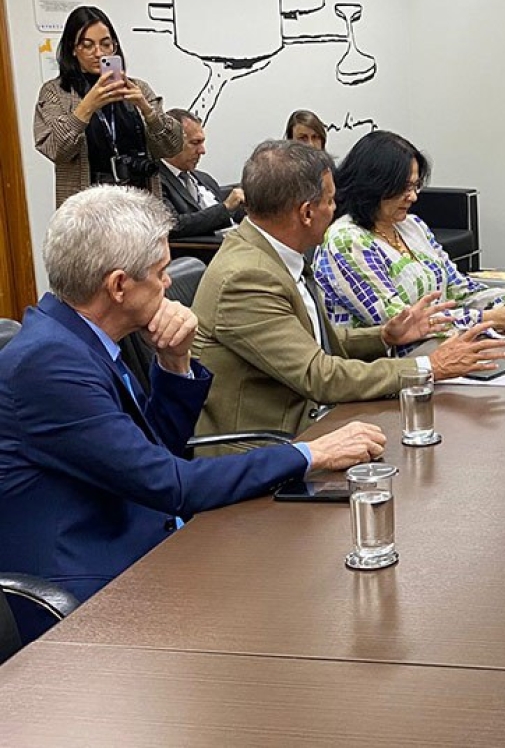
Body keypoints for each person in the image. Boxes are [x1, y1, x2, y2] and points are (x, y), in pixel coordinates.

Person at [0, 185, 388, 635]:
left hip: (144, 542)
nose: (168, 285)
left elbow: (151, 449)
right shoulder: (50, 364)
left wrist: (175, 363)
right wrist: (310, 455)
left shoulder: (77, 337)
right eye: (160, 272)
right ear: (119, 285)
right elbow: (168, 482)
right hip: (93, 596)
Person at [192, 140, 505, 440]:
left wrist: (384, 336)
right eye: (330, 201)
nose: (335, 209)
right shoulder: (247, 276)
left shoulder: (275, 254)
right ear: (305, 212)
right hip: (273, 444)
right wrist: (430, 366)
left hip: (311, 418)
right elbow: (320, 375)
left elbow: (314, 341)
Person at [314, 131, 505, 337]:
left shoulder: (412, 226)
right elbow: (401, 323)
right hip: (386, 373)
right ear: (373, 186)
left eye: (415, 186)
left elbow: (460, 289)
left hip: (442, 353)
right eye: (404, 188)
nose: (413, 197)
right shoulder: (346, 240)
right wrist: (492, 319)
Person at [33, 5, 182, 207]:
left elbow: (172, 147)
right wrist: (86, 107)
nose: (99, 53)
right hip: (87, 209)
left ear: (115, 47)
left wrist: (147, 110)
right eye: (87, 45)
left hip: (140, 203)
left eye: (106, 44)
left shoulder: (136, 88)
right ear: (73, 49)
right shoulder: (55, 92)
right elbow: (56, 150)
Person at [157, 108, 245, 237]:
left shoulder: (204, 179)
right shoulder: (154, 182)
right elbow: (173, 226)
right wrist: (225, 208)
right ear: (170, 143)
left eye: (202, 142)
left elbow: (232, 216)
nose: (202, 151)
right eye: (195, 143)